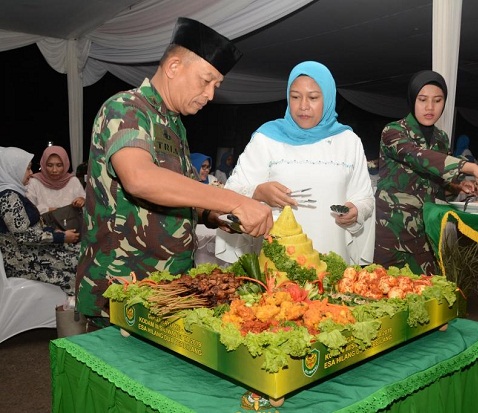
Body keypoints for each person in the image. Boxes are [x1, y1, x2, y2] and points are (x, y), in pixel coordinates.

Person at [76, 17, 273, 325]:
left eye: (216, 86)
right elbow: (140, 179)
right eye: (205, 81)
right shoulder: (126, 108)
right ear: (173, 67)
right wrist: (235, 201)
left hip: (168, 287)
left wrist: (215, 216)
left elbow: (181, 193)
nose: (210, 95)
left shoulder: (173, 125)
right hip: (121, 287)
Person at [216, 61, 375, 265]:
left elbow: (365, 198)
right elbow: (230, 192)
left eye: (313, 97)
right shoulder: (267, 139)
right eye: (295, 97)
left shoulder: (348, 141)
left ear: (328, 98)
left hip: (332, 254)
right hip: (277, 258)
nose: (303, 106)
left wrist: (355, 212)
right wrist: (258, 192)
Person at [374, 70, 478, 274]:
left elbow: (435, 181)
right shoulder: (393, 131)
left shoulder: (441, 138)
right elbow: (417, 156)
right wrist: (468, 167)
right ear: (412, 99)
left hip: (428, 231)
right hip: (395, 231)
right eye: (422, 99)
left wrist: (457, 185)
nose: (430, 107)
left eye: (438, 100)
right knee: (390, 294)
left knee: (427, 295)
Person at [0, 146, 80, 294]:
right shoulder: (8, 197)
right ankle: (74, 311)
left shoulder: (14, 193)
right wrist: (61, 237)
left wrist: (52, 231)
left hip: (32, 251)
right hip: (23, 260)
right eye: (27, 169)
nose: (31, 174)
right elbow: (24, 235)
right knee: (78, 263)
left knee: (81, 253)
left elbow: (29, 227)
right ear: (13, 169)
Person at [26, 145, 85, 214]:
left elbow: (85, 202)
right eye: (50, 165)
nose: (54, 170)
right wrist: (47, 210)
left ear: (65, 165)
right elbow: (28, 209)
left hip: (71, 224)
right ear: (44, 165)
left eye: (59, 165)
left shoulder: (73, 181)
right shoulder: (34, 182)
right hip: (43, 223)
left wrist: (82, 200)